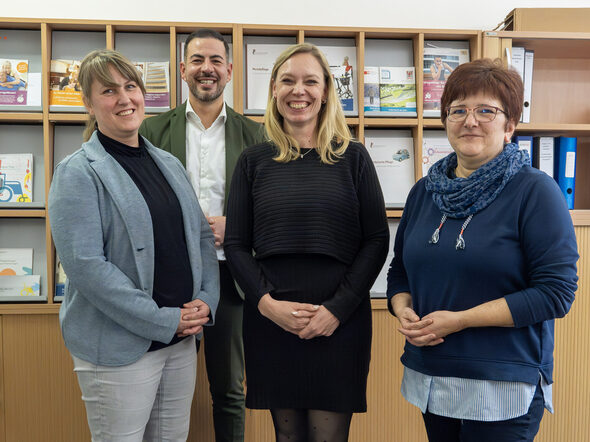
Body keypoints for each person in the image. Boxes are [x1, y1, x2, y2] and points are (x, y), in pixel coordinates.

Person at [387, 58, 578, 442]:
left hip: (502, 385)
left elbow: (556, 294)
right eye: (458, 110)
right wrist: (403, 310)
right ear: (445, 120)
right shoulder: (424, 191)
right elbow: (400, 272)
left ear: (510, 125)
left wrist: (461, 320)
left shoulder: (535, 191)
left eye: (486, 111)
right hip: (432, 376)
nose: (470, 120)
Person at [48, 49, 219, 442]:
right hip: (120, 348)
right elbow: (87, 267)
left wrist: (206, 299)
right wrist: (163, 319)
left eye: (131, 87)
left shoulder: (168, 164)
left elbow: (200, 237)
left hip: (180, 342)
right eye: (109, 91)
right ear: (89, 104)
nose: (125, 99)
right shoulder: (76, 173)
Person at [224, 43, 389, 442]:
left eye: (310, 81)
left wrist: (337, 310)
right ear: (275, 92)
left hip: (340, 319)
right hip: (273, 319)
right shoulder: (253, 160)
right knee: (287, 438)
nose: (299, 91)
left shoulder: (354, 158)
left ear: (327, 91)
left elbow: (377, 240)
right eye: (288, 81)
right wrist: (266, 305)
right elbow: (235, 244)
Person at [139, 28, 264, 442]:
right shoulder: (151, 132)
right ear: (182, 70)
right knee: (163, 386)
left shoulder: (256, 136)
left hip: (230, 278)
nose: (205, 69)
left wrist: (238, 226)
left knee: (228, 389)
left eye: (214, 61)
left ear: (229, 71)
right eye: (196, 60)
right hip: (168, 279)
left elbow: (273, 208)